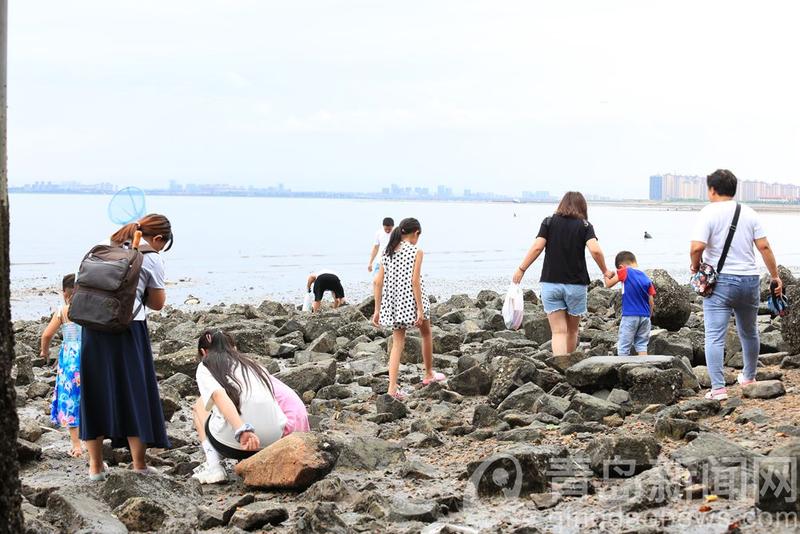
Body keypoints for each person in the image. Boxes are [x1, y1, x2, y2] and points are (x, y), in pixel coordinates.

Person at [80, 214, 173, 481]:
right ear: (158, 238)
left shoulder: (102, 246)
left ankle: (95, 467)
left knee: (94, 393)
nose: (160, 249)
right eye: (162, 245)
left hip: (92, 326)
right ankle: (138, 464)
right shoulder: (150, 257)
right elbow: (157, 304)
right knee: (135, 392)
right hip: (128, 329)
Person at [690, 169, 782, 401]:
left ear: (712, 190)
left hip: (720, 282)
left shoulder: (708, 212)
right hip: (749, 280)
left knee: (714, 335)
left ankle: (718, 389)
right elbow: (764, 247)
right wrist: (775, 276)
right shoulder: (749, 212)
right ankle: (749, 377)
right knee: (749, 332)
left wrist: (695, 266)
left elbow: (697, 247)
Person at [192, 330, 309, 484]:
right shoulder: (252, 364)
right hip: (275, 440)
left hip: (240, 443)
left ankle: (214, 467)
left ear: (203, 352)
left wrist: (242, 430)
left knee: (200, 405)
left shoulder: (206, 365)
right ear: (234, 348)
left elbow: (219, 396)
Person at [513, 192, 613, 355]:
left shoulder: (548, 222)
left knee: (558, 332)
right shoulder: (585, 226)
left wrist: (521, 269)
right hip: (576, 286)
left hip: (551, 283)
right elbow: (595, 250)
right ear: (582, 207)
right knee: (572, 331)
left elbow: (537, 247)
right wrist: (605, 270)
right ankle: (569, 365)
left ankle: (560, 364)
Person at [372, 218, 445, 399]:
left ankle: (392, 389)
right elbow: (415, 282)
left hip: (395, 304)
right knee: (426, 333)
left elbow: (377, 282)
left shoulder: (387, 251)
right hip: (413, 301)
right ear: (416, 233)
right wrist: (420, 309)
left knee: (397, 343)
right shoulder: (416, 251)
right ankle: (428, 373)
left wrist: (377, 310)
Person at [39, 274, 83, 457]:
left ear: (65, 293)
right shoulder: (90, 310)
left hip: (71, 361)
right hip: (89, 355)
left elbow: (46, 335)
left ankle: (77, 445)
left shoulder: (63, 311)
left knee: (70, 397)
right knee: (90, 396)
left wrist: (45, 352)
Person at [604, 251, 656, 356]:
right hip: (645, 317)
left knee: (623, 347)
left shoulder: (624, 271)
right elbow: (651, 301)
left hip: (630, 316)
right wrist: (649, 315)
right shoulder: (646, 277)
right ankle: (645, 364)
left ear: (621, 267)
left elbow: (608, 284)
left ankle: (622, 366)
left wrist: (606, 274)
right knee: (642, 345)